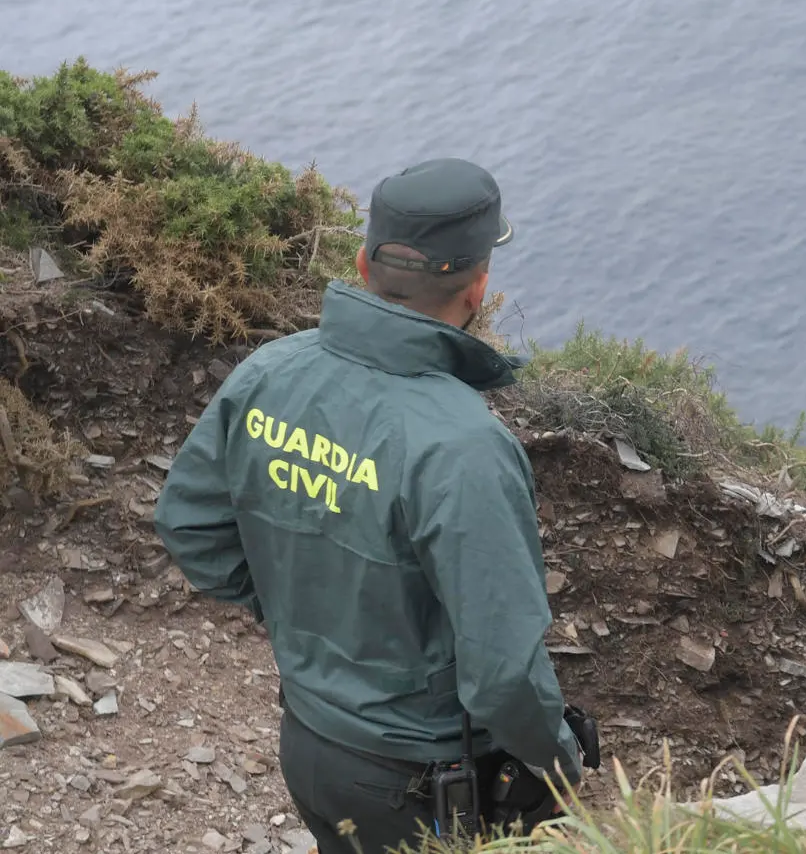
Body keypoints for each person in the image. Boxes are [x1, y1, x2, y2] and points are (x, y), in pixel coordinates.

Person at [155, 158, 591, 854]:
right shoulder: (464, 445)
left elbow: (190, 527)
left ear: (362, 264)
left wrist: (303, 616)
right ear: (479, 287)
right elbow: (503, 670)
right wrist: (559, 760)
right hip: (422, 779)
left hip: (309, 743)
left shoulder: (272, 372)